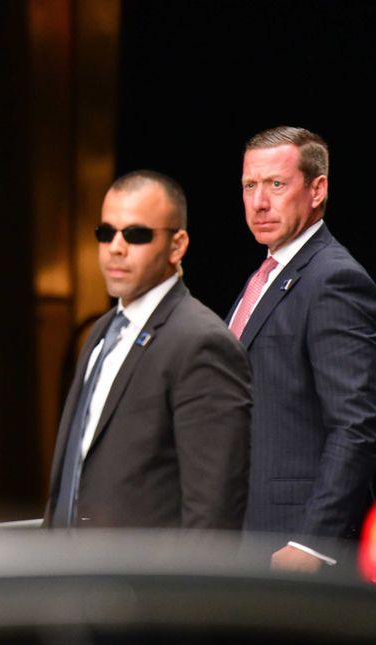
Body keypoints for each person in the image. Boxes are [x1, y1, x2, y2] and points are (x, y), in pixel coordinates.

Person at [45, 171, 252, 529]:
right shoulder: (101, 330)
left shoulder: (201, 342)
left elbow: (214, 509)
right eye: (105, 233)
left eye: (136, 234)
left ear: (178, 245)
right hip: (72, 575)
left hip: (147, 581)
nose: (116, 247)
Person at [228, 126, 376, 571]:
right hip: (246, 534)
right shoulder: (267, 275)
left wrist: (313, 542)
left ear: (317, 189)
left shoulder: (335, 280)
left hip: (292, 544)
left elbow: (356, 425)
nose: (260, 202)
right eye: (249, 186)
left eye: (276, 184)